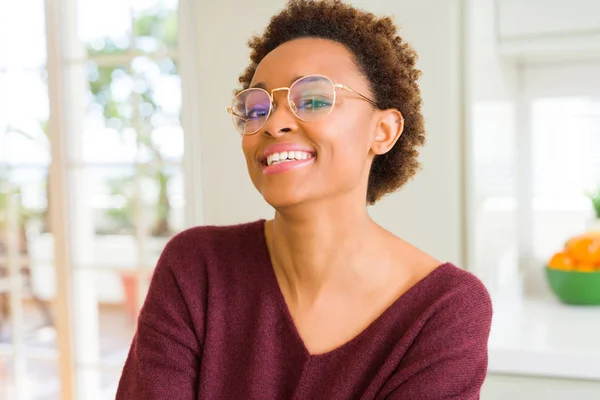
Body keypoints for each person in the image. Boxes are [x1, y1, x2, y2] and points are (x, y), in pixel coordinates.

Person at [116, 1, 493, 399]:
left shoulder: (444, 309)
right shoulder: (195, 268)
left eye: (313, 100)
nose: (274, 123)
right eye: (257, 108)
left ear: (383, 130)